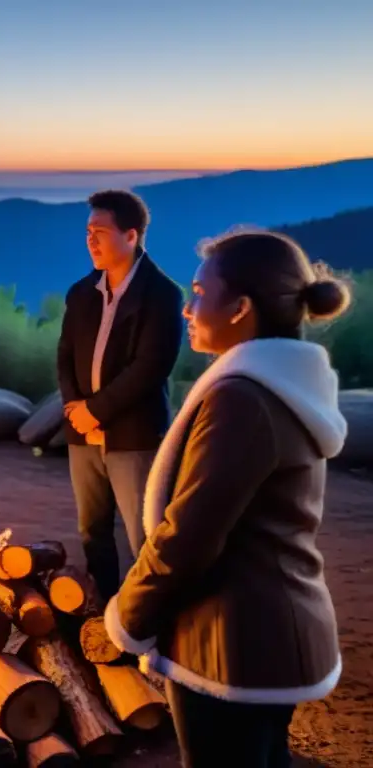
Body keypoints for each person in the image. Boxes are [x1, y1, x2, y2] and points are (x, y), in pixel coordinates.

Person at [104, 230, 347, 768]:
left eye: (198, 292)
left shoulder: (242, 398)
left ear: (240, 307)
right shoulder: (281, 387)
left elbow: (188, 536)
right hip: (275, 630)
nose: (188, 308)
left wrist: (128, 614)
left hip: (230, 645)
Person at [56, 190, 183, 602]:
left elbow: (151, 367)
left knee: (141, 536)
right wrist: (76, 408)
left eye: (101, 232)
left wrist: (96, 410)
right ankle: (104, 615)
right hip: (82, 434)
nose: (91, 240)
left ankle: (146, 623)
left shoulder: (162, 294)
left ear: (131, 236)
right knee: (92, 532)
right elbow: (64, 355)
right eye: (88, 232)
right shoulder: (81, 292)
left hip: (133, 435)